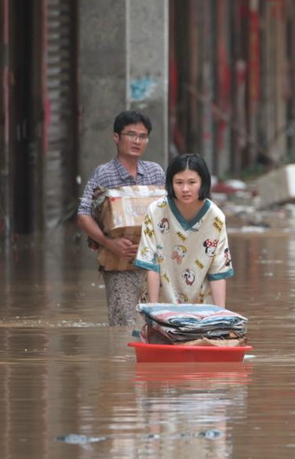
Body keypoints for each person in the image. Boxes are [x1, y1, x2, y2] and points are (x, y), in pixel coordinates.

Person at [77, 110, 165, 326]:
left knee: (156, 321)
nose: (137, 141)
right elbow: (83, 214)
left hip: (154, 263)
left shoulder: (155, 172)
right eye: (131, 135)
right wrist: (109, 243)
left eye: (143, 136)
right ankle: (120, 360)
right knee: (123, 323)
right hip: (119, 263)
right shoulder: (104, 174)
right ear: (116, 137)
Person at [135, 153, 234, 308]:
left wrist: (220, 315)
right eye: (179, 182)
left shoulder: (215, 217)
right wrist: (153, 311)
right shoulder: (156, 211)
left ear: (203, 183)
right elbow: (151, 263)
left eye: (192, 182)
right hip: (159, 302)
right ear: (170, 183)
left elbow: (218, 271)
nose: (185, 189)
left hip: (201, 307)